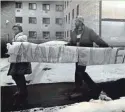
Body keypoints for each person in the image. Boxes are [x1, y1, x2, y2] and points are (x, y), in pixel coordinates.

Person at [67, 16, 111, 100]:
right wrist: (68, 45)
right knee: (78, 71)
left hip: (85, 54)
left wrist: (105, 46)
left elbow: (97, 39)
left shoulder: (88, 31)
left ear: (81, 22)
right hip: (76, 54)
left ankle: (82, 89)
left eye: (77, 21)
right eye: (75, 21)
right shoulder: (74, 32)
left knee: (80, 71)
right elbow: (72, 42)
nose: (75, 23)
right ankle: (86, 87)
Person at [7, 25, 32, 107]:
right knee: (15, 75)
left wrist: (11, 47)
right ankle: (21, 90)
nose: (14, 30)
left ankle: (22, 93)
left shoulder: (22, 37)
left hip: (21, 59)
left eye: (16, 29)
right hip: (16, 59)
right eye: (13, 29)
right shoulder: (16, 37)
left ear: (20, 29)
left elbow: (23, 47)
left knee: (18, 75)